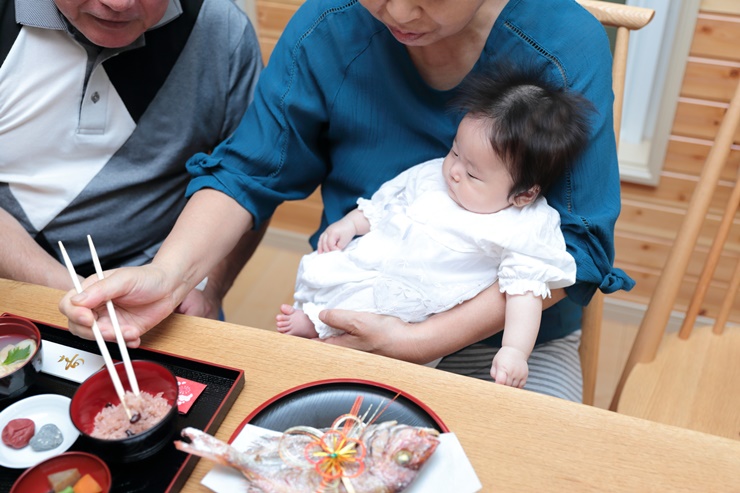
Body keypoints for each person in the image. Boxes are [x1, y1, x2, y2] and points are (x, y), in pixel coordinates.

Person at [60, 0, 635, 402]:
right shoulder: (331, 24)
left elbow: (577, 246)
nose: (399, 13)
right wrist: (170, 275)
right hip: (353, 308)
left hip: (512, 336)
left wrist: (417, 342)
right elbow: (251, 167)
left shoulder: (561, 44)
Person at [276, 69, 591, 387]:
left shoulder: (522, 225)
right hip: (378, 262)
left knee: (371, 319)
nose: (454, 171)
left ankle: (323, 331)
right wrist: (351, 224)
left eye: (473, 174)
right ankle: (315, 319)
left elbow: (525, 292)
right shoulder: (432, 177)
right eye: (455, 151)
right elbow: (387, 206)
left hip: (418, 308)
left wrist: (514, 350)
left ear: (524, 194)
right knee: (339, 277)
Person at [0, 0, 263, 319]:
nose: (119, 3)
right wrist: (83, 298)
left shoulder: (222, 30)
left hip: (166, 293)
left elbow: (250, 177)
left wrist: (209, 288)